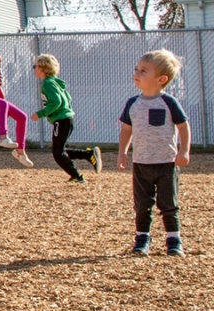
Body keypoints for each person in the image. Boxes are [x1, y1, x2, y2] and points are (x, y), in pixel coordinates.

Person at [117, 48, 191, 256]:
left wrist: (183, 151)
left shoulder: (169, 102)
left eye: (143, 71)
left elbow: (184, 126)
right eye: (136, 69)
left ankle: (173, 241)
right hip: (141, 164)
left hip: (166, 163)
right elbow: (126, 129)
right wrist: (122, 152)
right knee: (142, 205)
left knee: (169, 205)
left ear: (162, 79)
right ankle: (142, 239)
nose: (136, 74)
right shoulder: (132, 103)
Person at [33, 53, 101, 183]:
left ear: (42, 68)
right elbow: (67, 99)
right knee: (59, 151)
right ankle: (88, 155)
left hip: (62, 120)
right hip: (67, 119)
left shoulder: (47, 83)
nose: (34, 69)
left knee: (58, 153)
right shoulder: (56, 82)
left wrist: (40, 114)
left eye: (35, 66)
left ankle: (78, 176)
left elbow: (56, 102)